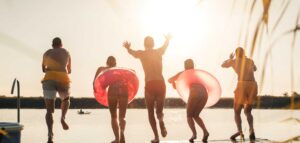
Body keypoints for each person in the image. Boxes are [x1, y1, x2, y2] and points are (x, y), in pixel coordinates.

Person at [123, 34, 171, 143]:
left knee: (150, 112)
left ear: (144, 44)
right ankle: (161, 120)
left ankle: (156, 137)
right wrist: (167, 39)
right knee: (159, 111)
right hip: (160, 83)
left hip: (150, 84)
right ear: (153, 43)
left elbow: (133, 53)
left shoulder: (142, 54)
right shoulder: (159, 52)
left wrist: (127, 48)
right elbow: (165, 46)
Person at [168, 59, 209, 142]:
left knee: (189, 115)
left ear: (185, 66)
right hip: (204, 93)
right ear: (193, 65)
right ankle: (205, 132)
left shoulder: (183, 73)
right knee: (196, 115)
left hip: (194, 91)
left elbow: (169, 80)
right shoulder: (197, 73)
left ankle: (194, 135)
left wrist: (173, 82)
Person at [221, 47, 258, 141]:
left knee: (237, 111)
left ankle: (240, 131)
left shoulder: (234, 61)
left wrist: (230, 58)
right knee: (248, 111)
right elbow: (255, 69)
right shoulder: (250, 60)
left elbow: (223, 65)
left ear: (236, 54)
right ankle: (251, 130)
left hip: (242, 84)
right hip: (253, 84)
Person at [42, 37, 71, 143]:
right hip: (62, 78)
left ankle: (50, 134)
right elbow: (70, 69)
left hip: (49, 78)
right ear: (61, 44)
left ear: (52, 45)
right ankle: (63, 117)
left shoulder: (47, 53)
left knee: (49, 110)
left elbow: (43, 69)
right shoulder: (66, 52)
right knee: (66, 99)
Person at [93, 56, 128, 143]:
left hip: (113, 89)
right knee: (122, 116)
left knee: (113, 117)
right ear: (116, 63)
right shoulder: (121, 70)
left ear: (107, 62)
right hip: (123, 88)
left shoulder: (103, 69)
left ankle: (117, 138)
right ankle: (122, 132)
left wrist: (96, 88)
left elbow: (95, 83)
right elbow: (132, 73)